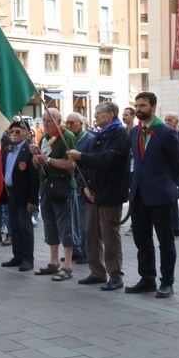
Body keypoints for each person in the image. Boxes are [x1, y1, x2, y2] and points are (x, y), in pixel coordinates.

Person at [124, 92, 179, 298]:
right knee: (142, 240)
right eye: (137, 105)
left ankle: (167, 281)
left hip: (160, 195)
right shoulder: (133, 133)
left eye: (143, 105)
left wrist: (166, 184)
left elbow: (178, 164)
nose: (139, 109)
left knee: (165, 241)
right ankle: (147, 278)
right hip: (139, 194)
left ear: (153, 106)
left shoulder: (167, 132)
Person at [66, 100, 130, 291]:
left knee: (110, 235)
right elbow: (86, 165)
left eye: (99, 113)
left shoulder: (119, 133)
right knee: (91, 234)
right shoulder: (99, 135)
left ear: (111, 114)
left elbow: (106, 160)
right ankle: (97, 271)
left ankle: (116, 275)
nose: (95, 116)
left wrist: (80, 156)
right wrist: (84, 187)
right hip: (92, 193)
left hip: (110, 193)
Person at [32, 108, 76, 281]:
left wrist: (48, 160)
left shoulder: (67, 137)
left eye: (49, 121)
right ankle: (53, 261)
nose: (45, 124)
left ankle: (68, 265)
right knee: (50, 223)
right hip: (46, 185)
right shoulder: (44, 138)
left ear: (59, 122)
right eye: (44, 120)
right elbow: (38, 166)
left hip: (62, 186)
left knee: (65, 225)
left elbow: (72, 164)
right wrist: (35, 156)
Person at [0, 119, 39, 271]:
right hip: (10, 193)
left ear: (26, 134)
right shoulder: (8, 149)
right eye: (11, 132)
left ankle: (28, 259)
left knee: (25, 227)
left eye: (17, 132)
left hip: (24, 195)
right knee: (14, 226)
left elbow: (35, 178)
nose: (14, 135)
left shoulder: (30, 150)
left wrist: (33, 200)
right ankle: (18, 255)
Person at [65, 113, 93, 264]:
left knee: (83, 222)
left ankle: (86, 251)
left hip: (82, 186)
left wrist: (82, 185)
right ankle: (76, 249)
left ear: (81, 124)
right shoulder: (69, 139)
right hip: (70, 185)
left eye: (72, 123)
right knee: (73, 221)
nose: (69, 125)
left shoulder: (89, 139)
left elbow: (88, 166)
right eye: (67, 123)